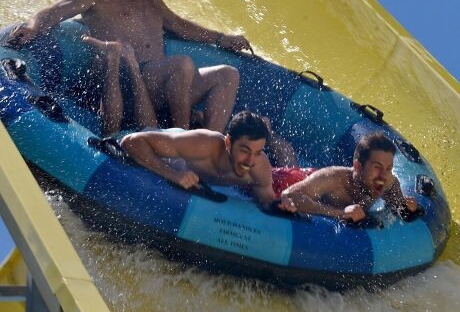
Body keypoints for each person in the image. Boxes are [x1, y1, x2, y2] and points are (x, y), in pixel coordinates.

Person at [8, 0, 248, 134]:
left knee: (227, 74)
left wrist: (222, 39)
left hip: (161, 85)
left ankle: (208, 146)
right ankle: (182, 142)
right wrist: (32, 27)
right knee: (182, 64)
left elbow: (178, 24)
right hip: (126, 83)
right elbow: (58, 9)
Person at [120, 111, 296, 211]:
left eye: (258, 152)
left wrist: (281, 205)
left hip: (201, 177)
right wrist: (173, 174)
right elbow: (131, 141)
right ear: (228, 142)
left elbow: (266, 200)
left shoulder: (259, 166)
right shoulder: (202, 144)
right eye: (244, 150)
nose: (250, 160)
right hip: (173, 154)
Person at [280, 132, 418, 222]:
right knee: (290, 167)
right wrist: (340, 213)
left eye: (388, 168)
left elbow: (399, 208)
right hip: (298, 179)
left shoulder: (387, 182)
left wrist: (405, 207)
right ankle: (273, 137)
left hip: (310, 182)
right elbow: (289, 196)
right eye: (377, 167)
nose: (383, 175)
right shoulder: (333, 178)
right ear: (357, 166)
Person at [80, 34, 158, 136]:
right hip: (110, 81)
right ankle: (132, 64)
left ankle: (113, 58)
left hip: (109, 89)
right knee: (150, 133)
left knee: (111, 133)